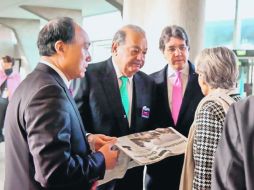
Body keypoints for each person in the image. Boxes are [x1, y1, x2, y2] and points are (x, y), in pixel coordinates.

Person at [4, 17, 118, 190]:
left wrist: (88, 140)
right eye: (85, 47)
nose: (89, 56)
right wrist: (101, 160)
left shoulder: (37, 82)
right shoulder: (48, 92)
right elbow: (53, 172)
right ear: (60, 47)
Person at [74, 24, 157, 190]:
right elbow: (75, 128)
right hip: (99, 177)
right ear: (115, 48)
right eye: (135, 51)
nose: (141, 58)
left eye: (144, 52)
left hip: (133, 179)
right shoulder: (88, 76)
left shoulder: (148, 83)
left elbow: (150, 126)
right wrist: (90, 139)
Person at [145, 25, 203, 190]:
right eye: (171, 48)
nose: (178, 53)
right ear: (162, 51)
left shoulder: (203, 80)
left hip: (192, 167)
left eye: (182, 47)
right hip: (158, 170)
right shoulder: (150, 82)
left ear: (188, 48)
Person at [180, 47, 240, 190]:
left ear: (205, 77)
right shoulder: (238, 101)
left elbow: (205, 174)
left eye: (199, 74)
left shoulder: (211, 109)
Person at [0, 55, 21, 142]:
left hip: (12, 101)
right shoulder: (0, 74)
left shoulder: (16, 76)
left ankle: (11, 136)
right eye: (2, 62)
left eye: (5, 62)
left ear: (10, 64)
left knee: (11, 120)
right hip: (1, 101)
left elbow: (19, 88)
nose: (3, 64)